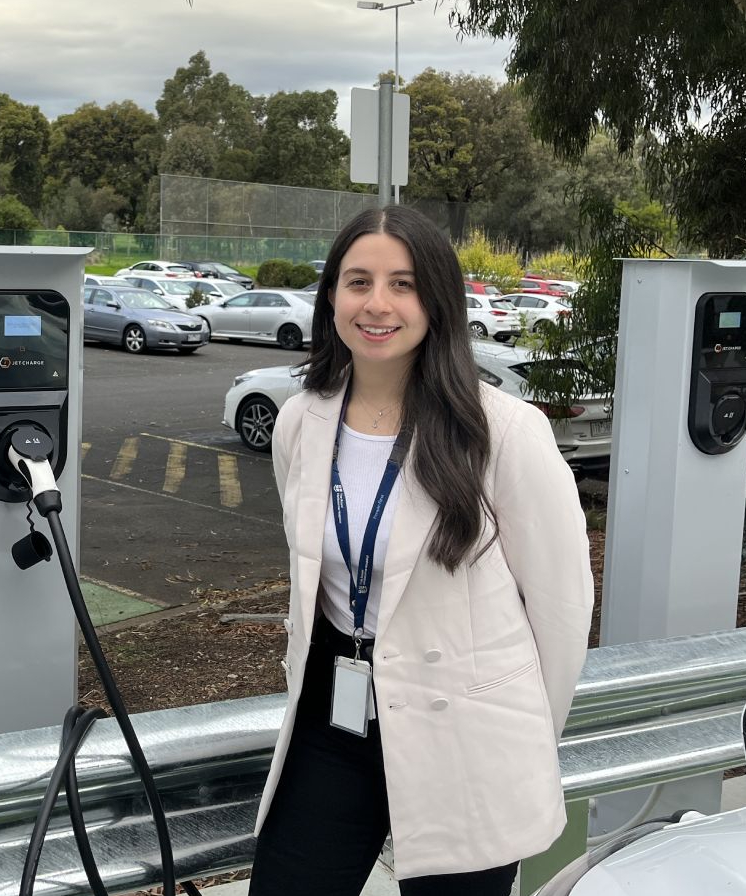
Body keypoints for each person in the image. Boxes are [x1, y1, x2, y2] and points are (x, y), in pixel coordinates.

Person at [248, 206, 593, 894]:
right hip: (334, 714)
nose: (378, 304)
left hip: (468, 735)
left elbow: (562, 607)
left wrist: (521, 738)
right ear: (331, 297)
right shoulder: (300, 422)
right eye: (358, 281)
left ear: (436, 298)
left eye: (403, 284)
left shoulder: (503, 432)